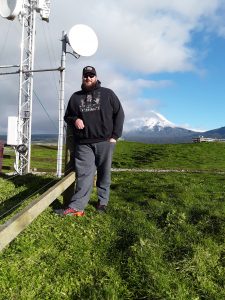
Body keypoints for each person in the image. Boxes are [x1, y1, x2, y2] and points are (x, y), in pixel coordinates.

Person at [58, 66, 124, 216]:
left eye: (91, 75)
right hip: (83, 143)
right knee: (83, 174)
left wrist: (115, 136)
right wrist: (75, 119)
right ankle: (77, 207)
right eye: (86, 75)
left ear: (96, 77)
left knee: (104, 173)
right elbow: (67, 115)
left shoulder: (108, 94)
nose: (88, 78)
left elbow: (119, 114)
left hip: (105, 141)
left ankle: (102, 201)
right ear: (82, 77)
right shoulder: (75, 97)